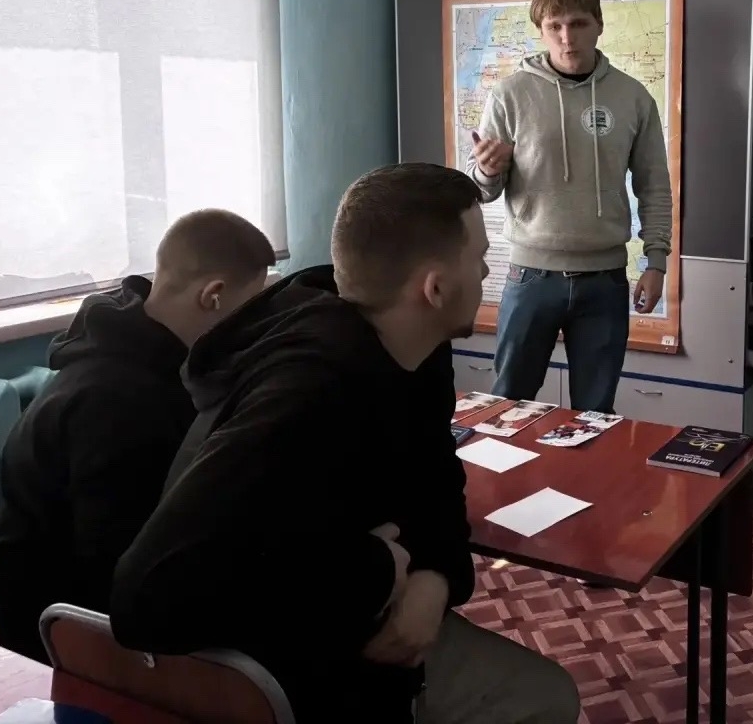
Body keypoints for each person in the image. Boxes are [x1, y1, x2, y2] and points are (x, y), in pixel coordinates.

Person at [110, 163, 579, 724]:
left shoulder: (418, 349)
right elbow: (145, 599)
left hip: (358, 624)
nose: (485, 271)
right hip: (289, 670)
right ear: (434, 289)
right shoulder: (308, 392)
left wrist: (434, 580)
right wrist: (372, 573)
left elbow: (435, 485)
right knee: (548, 698)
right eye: (478, 258)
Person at [0, 209, 275, 662]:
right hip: (66, 638)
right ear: (213, 296)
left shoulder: (131, 356)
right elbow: (122, 576)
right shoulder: (121, 404)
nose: (253, 328)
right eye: (251, 308)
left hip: (70, 606)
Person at [466, 0, 673, 414]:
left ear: (598, 25)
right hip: (531, 277)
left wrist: (656, 262)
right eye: (554, 26)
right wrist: (486, 170)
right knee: (507, 408)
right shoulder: (509, 95)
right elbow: (482, 192)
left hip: (605, 280)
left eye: (578, 23)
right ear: (540, 30)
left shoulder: (634, 98)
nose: (566, 37)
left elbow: (654, 185)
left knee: (595, 414)